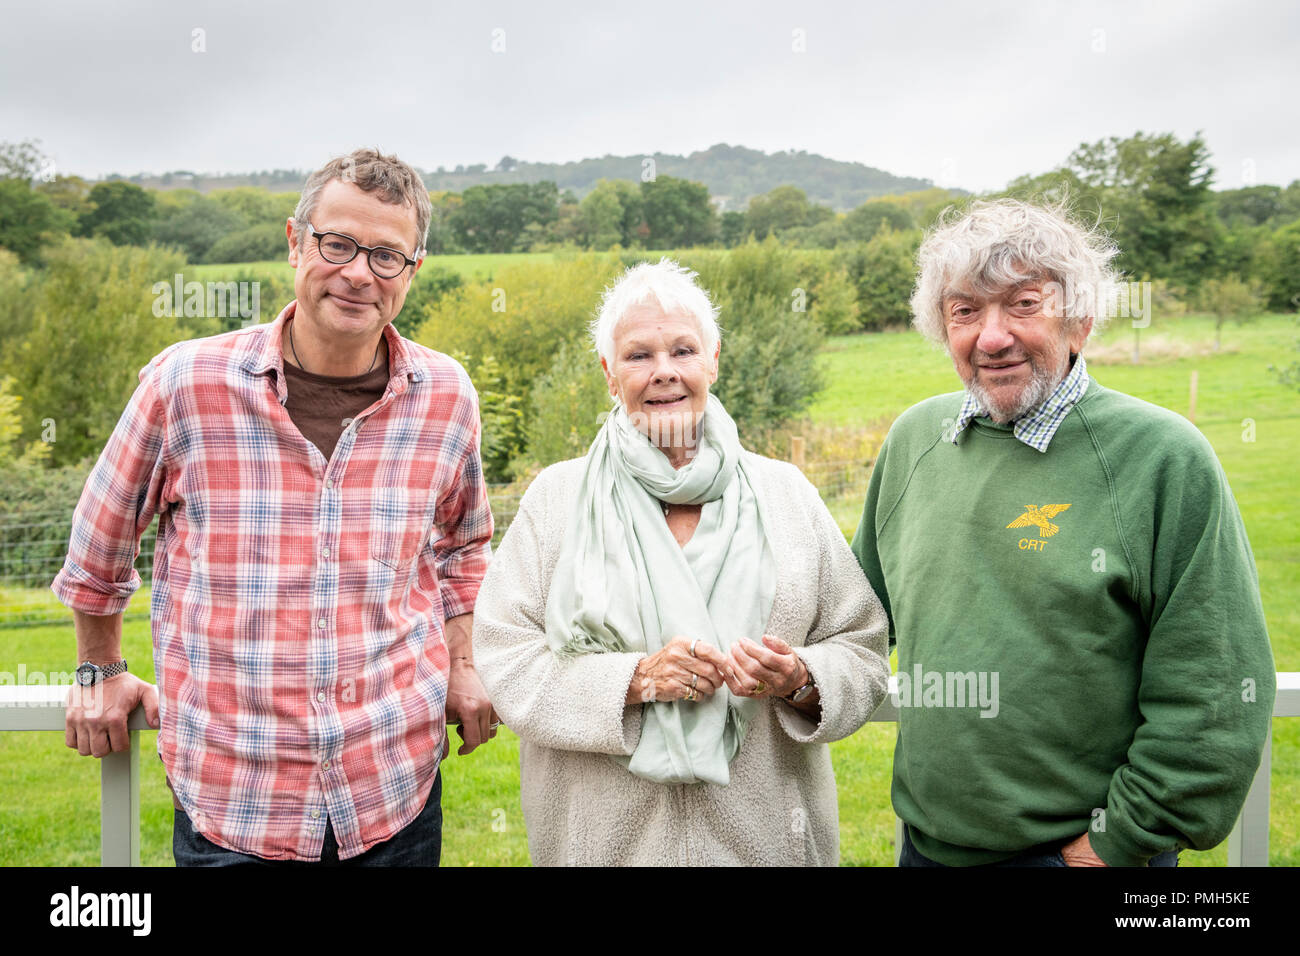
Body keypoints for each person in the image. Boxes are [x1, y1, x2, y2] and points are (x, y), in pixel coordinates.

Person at [55, 148, 497, 866]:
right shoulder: (185, 385)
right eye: (338, 244)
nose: (359, 273)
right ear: (296, 241)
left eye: (387, 255)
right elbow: (98, 545)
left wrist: (465, 662)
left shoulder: (446, 397)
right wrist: (98, 671)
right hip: (235, 798)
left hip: (394, 791)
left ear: (412, 272)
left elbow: (463, 548)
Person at [851, 198, 1276, 867]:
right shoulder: (915, 440)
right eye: (965, 310)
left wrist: (1119, 840)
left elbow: (1216, 684)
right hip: (927, 848)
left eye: (1022, 303)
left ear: (1079, 317)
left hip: (1081, 857)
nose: (991, 336)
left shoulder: (1163, 457)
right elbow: (857, 619)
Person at [472, 259, 890, 866]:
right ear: (609, 374)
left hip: (768, 843)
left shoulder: (786, 492)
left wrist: (800, 678)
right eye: (639, 355)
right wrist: (634, 681)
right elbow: (504, 659)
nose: (664, 372)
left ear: (712, 360)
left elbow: (862, 648)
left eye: (683, 350)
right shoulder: (556, 499)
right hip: (603, 845)